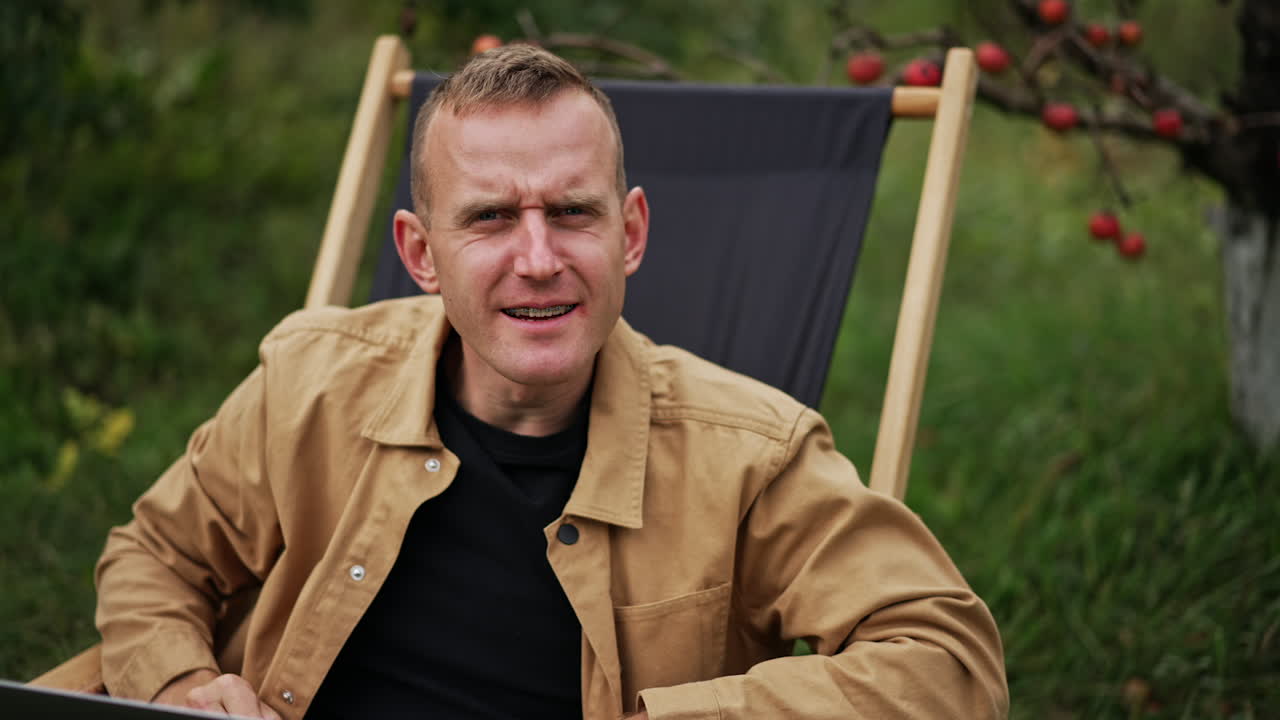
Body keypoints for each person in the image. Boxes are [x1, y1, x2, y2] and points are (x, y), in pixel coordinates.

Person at [93, 44, 1008, 719]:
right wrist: (178, 682)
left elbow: (947, 661)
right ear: (420, 252)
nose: (539, 259)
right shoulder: (313, 381)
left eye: (573, 212)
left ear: (631, 233)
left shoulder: (750, 457)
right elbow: (156, 556)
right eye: (490, 218)